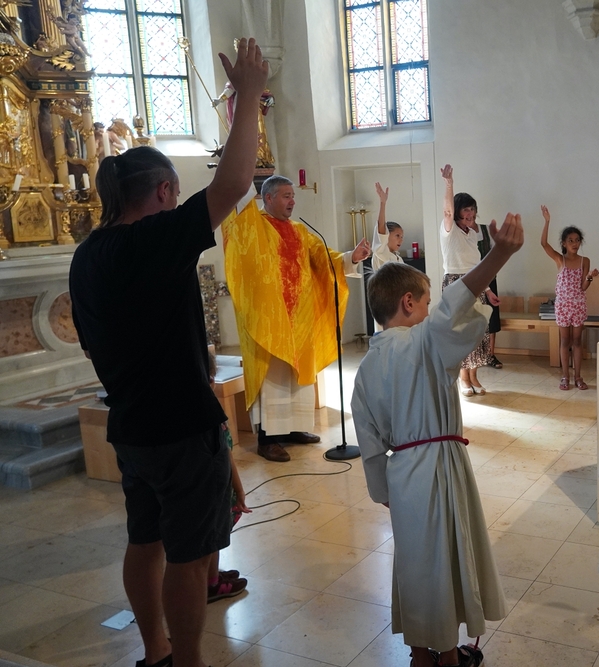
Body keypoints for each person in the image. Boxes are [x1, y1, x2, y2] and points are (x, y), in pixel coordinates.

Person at [68, 38, 268, 667]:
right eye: (176, 196)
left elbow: (90, 338)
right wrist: (250, 95)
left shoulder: (88, 254)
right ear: (163, 192)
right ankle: (187, 661)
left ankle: (155, 652)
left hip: (131, 424)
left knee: (146, 541)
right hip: (180, 426)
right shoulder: (153, 241)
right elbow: (235, 182)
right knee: (189, 553)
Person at [352, 213, 525, 667]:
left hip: (401, 473)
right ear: (408, 303)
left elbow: (368, 441)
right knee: (443, 561)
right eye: (426, 302)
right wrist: (498, 254)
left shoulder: (366, 368)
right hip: (438, 468)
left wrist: (383, 489)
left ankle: (419, 655)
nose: (431, 311)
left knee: (415, 561)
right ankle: (447, 657)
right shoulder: (422, 341)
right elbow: (454, 307)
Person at [224, 175, 371, 463]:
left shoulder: (300, 230)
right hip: (270, 320)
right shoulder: (254, 227)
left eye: (293, 195)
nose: (292, 201)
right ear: (267, 198)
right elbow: (236, 223)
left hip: (300, 320)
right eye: (286, 195)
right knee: (273, 380)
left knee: (297, 377)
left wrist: (351, 257)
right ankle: (268, 439)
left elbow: (324, 258)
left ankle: (292, 429)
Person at [440, 164, 500, 395]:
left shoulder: (473, 233)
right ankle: (463, 379)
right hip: (456, 282)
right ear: (457, 211)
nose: (471, 214)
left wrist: (488, 291)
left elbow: (477, 265)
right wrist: (449, 184)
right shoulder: (449, 229)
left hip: (476, 282)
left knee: (478, 331)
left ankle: (474, 377)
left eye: (473, 210)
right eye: (466, 210)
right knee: (461, 332)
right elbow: (447, 211)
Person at [206, 352, 250, 604]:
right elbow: (226, 454)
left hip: (214, 482)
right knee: (212, 536)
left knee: (211, 535)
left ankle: (210, 575)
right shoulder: (209, 412)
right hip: (217, 484)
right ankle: (212, 583)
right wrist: (239, 489)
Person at [541, 205, 599, 391]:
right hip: (563, 307)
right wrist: (547, 221)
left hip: (578, 305)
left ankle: (578, 377)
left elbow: (583, 287)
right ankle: (565, 376)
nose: (575, 243)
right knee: (565, 342)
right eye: (570, 240)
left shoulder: (584, 261)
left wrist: (590, 277)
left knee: (577, 341)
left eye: (577, 240)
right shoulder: (560, 259)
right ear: (564, 243)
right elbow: (544, 244)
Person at [370, 181, 405, 333]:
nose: (400, 240)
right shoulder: (381, 252)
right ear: (387, 235)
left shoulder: (398, 259)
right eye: (397, 235)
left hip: (398, 302)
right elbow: (381, 229)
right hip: (384, 301)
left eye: (402, 236)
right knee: (385, 335)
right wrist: (383, 203)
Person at [478, 219, 503, 369]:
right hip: (471, 280)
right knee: (474, 318)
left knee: (492, 318)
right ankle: (475, 357)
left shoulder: (485, 230)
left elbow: (497, 254)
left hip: (489, 278)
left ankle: (490, 355)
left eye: (472, 210)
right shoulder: (459, 232)